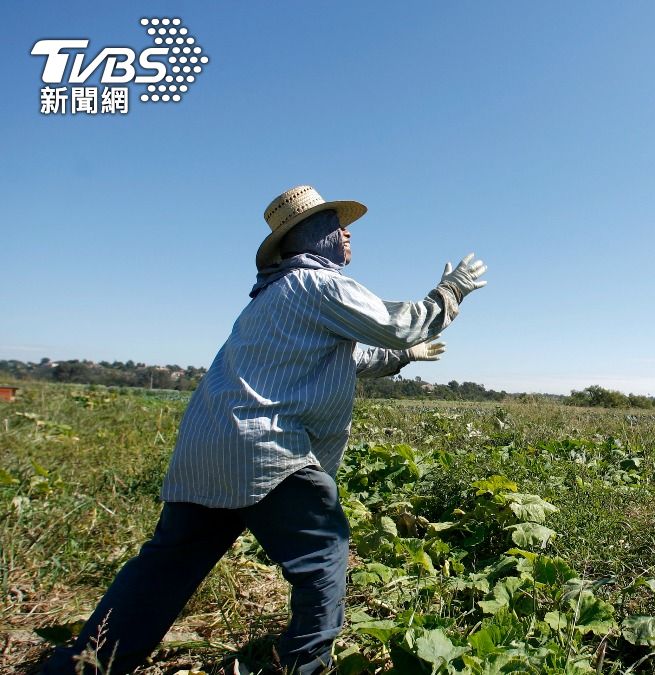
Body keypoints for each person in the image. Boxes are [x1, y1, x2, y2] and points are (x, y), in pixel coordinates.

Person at [43, 185, 488, 675]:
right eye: (334, 223)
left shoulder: (274, 296)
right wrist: (451, 292)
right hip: (266, 448)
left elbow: (350, 358)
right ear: (307, 237)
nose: (346, 232)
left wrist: (404, 356)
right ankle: (303, 666)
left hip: (206, 450)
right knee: (323, 554)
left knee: (164, 568)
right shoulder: (321, 285)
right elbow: (400, 324)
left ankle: (84, 667)